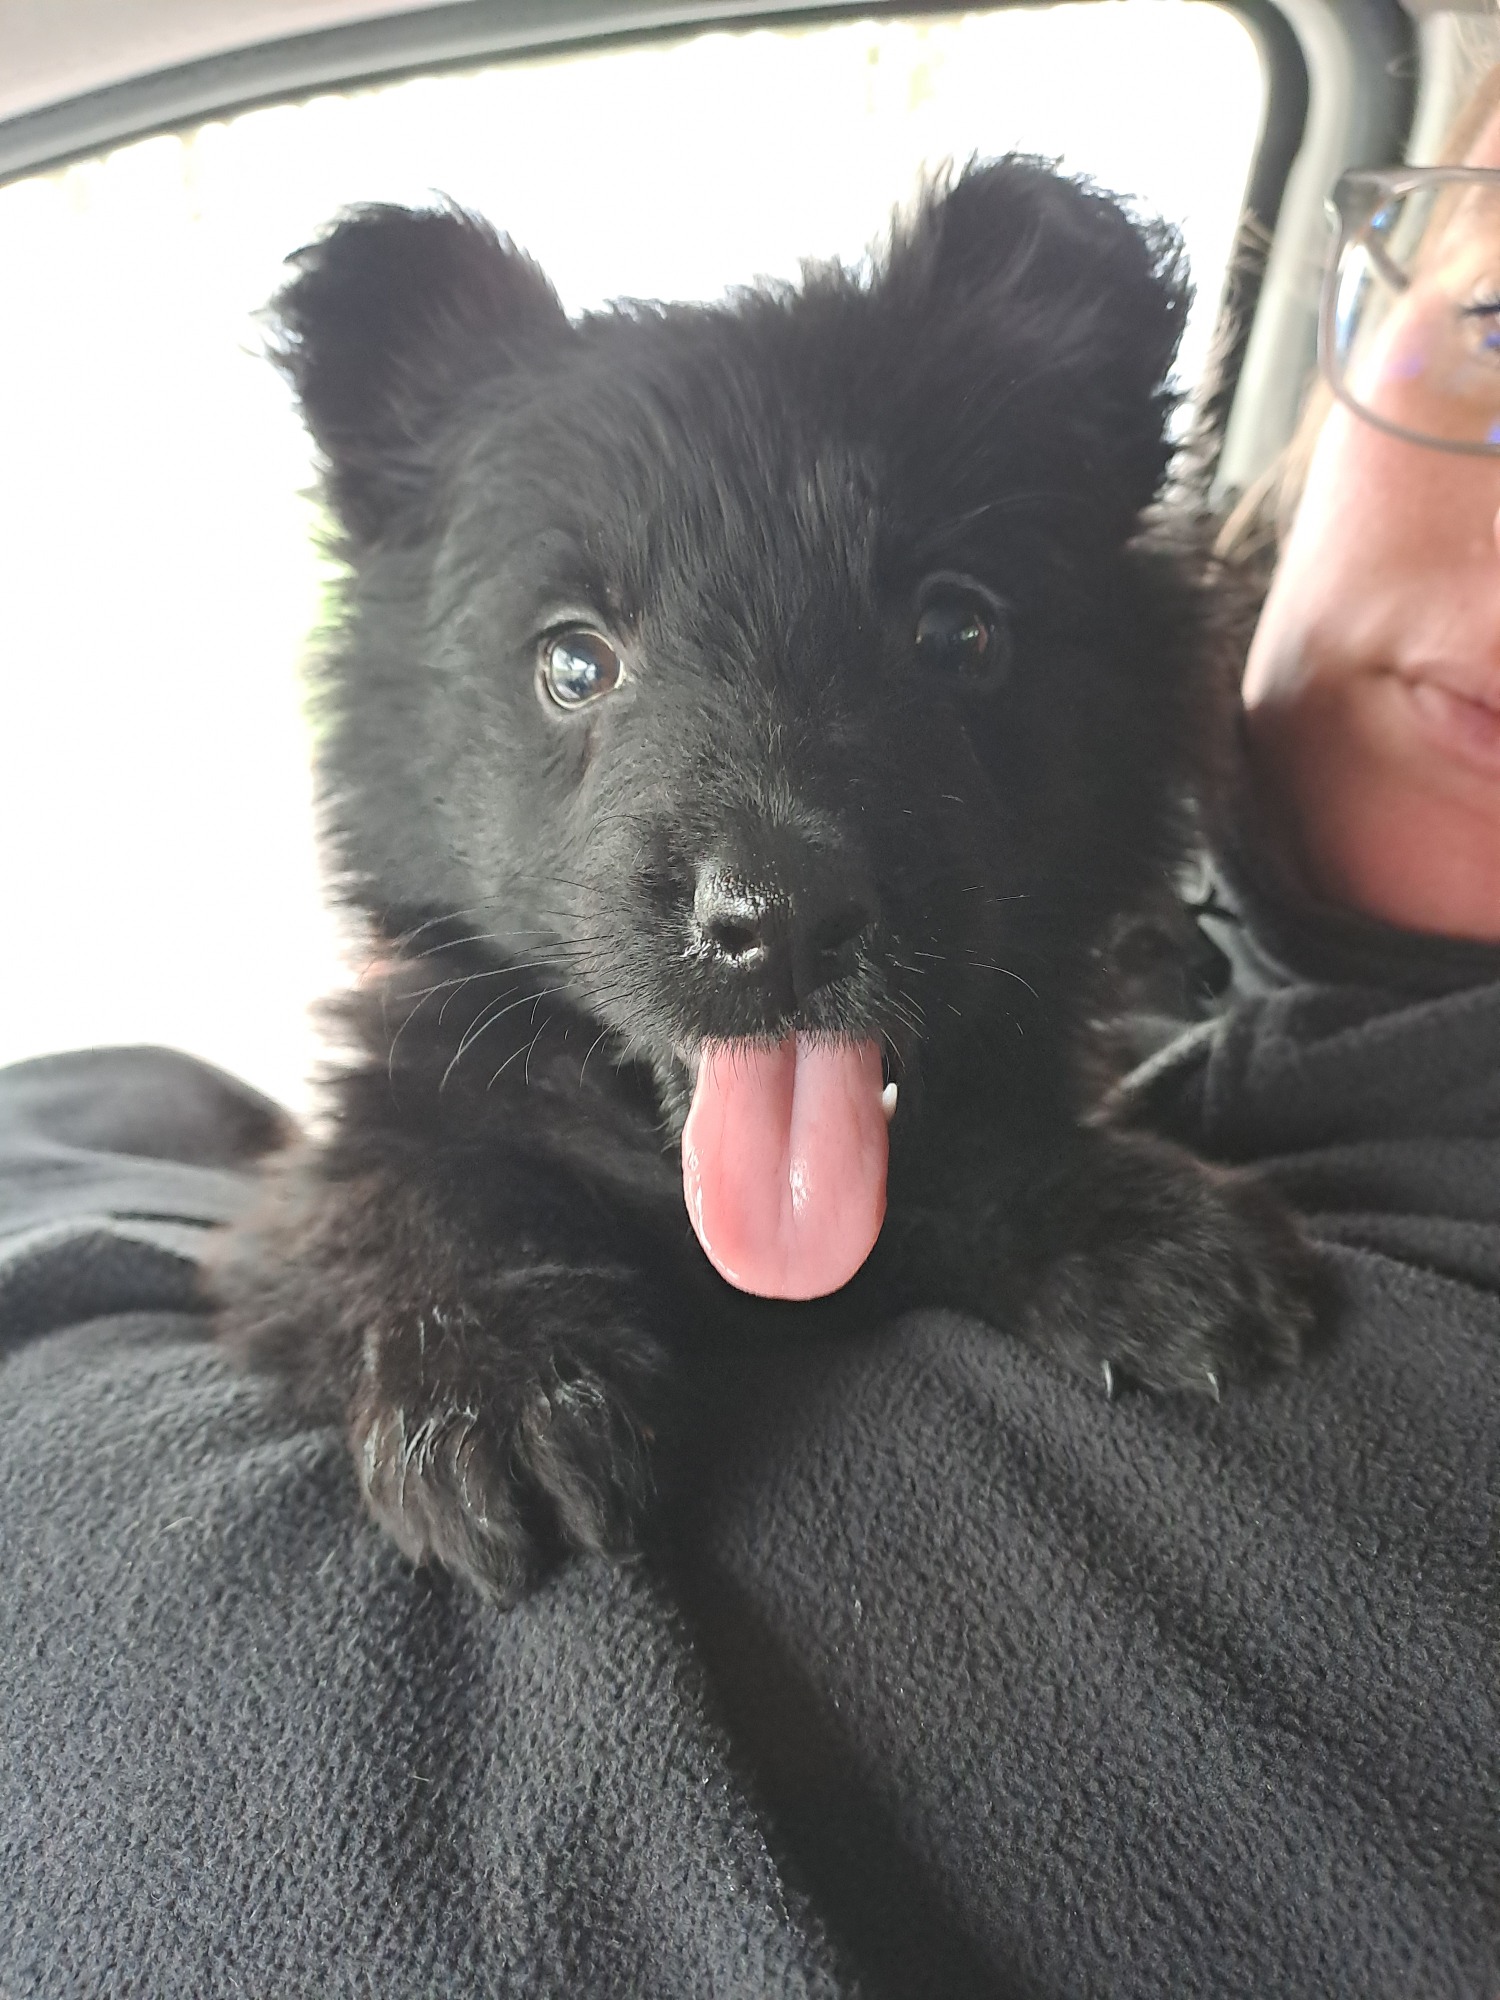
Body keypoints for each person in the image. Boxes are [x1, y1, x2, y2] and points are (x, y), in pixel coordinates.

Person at [3, 83, 1499, 2000]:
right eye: (579, 663)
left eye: (949, 635)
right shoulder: (1254, 985)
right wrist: (421, 1302)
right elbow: (354, 1198)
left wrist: (1032, 1197)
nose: (768, 872)